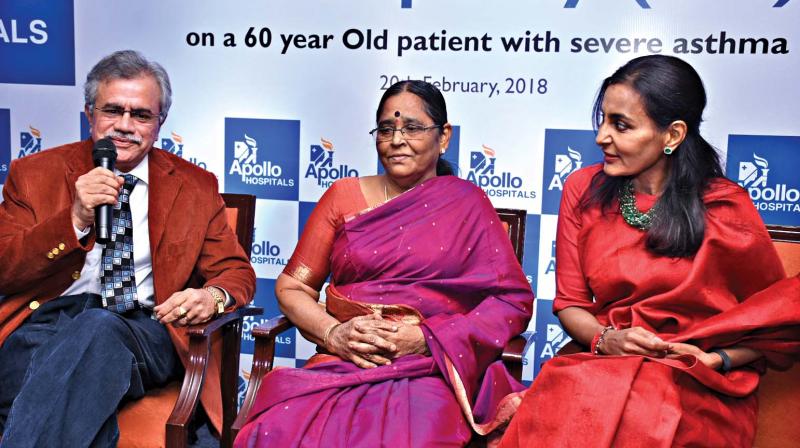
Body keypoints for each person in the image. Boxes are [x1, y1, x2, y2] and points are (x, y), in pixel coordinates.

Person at [500, 55, 800, 447]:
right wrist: (607, 339)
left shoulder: (726, 206)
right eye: (603, 119)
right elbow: (571, 304)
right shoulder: (582, 190)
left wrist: (716, 360)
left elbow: (774, 324)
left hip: (693, 384)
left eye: (621, 125)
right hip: (600, 367)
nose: (601, 137)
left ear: (672, 135)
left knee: (644, 418)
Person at [235, 80, 534, 447]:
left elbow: (512, 302)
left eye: (412, 127)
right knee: (277, 431)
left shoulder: (468, 204)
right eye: (386, 129)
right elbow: (292, 286)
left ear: (443, 137)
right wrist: (334, 334)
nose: (396, 140)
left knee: (415, 435)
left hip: (431, 370)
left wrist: (429, 340)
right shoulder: (343, 197)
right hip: (345, 361)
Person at [0, 50, 256, 447]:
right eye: (112, 110)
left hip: (145, 327)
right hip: (48, 321)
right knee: (52, 369)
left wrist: (211, 295)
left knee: (98, 327)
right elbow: (5, 267)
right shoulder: (33, 175)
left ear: (160, 123)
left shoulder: (194, 186)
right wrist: (75, 219)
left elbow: (236, 273)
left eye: (140, 115)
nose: (124, 126)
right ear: (89, 114)